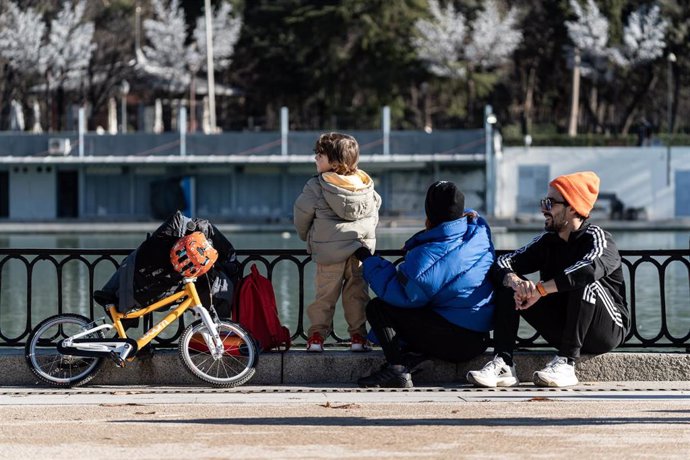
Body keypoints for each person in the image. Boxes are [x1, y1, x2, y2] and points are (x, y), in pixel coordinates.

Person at [467, 171, 629, 388]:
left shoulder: (599, 239)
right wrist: (516, 282)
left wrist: (541, 290)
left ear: (573, 207)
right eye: (544, 202)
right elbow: (502, 262)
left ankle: (567, 363)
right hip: (563, 326)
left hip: (605, 330)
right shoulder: (547, 242)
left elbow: (588, 270)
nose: (543, 208)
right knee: (510, 285)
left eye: (550, 203)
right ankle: (504, 363)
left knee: (585, 281)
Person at [355, 181, 495, 388]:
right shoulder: (479, 232)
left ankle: (397, 369)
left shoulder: (428, 255)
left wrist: (369, 259)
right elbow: (470, 217)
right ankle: (415, 357)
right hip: (480, 338)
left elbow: (400, 295)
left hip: (456, 341)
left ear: (429, 214)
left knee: (378, 308)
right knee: (434, 305)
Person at [293, 132, 381, 352]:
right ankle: (358, 338)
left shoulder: (316, 186)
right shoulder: (365, 185)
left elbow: (301, 215)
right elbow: (375, 212)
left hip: (329, 253)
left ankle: (315, 338)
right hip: (359, 253)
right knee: (357, 296)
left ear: (333, 161)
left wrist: (308, 237)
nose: (315, 159)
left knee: (324, 297)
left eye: (319, 156)